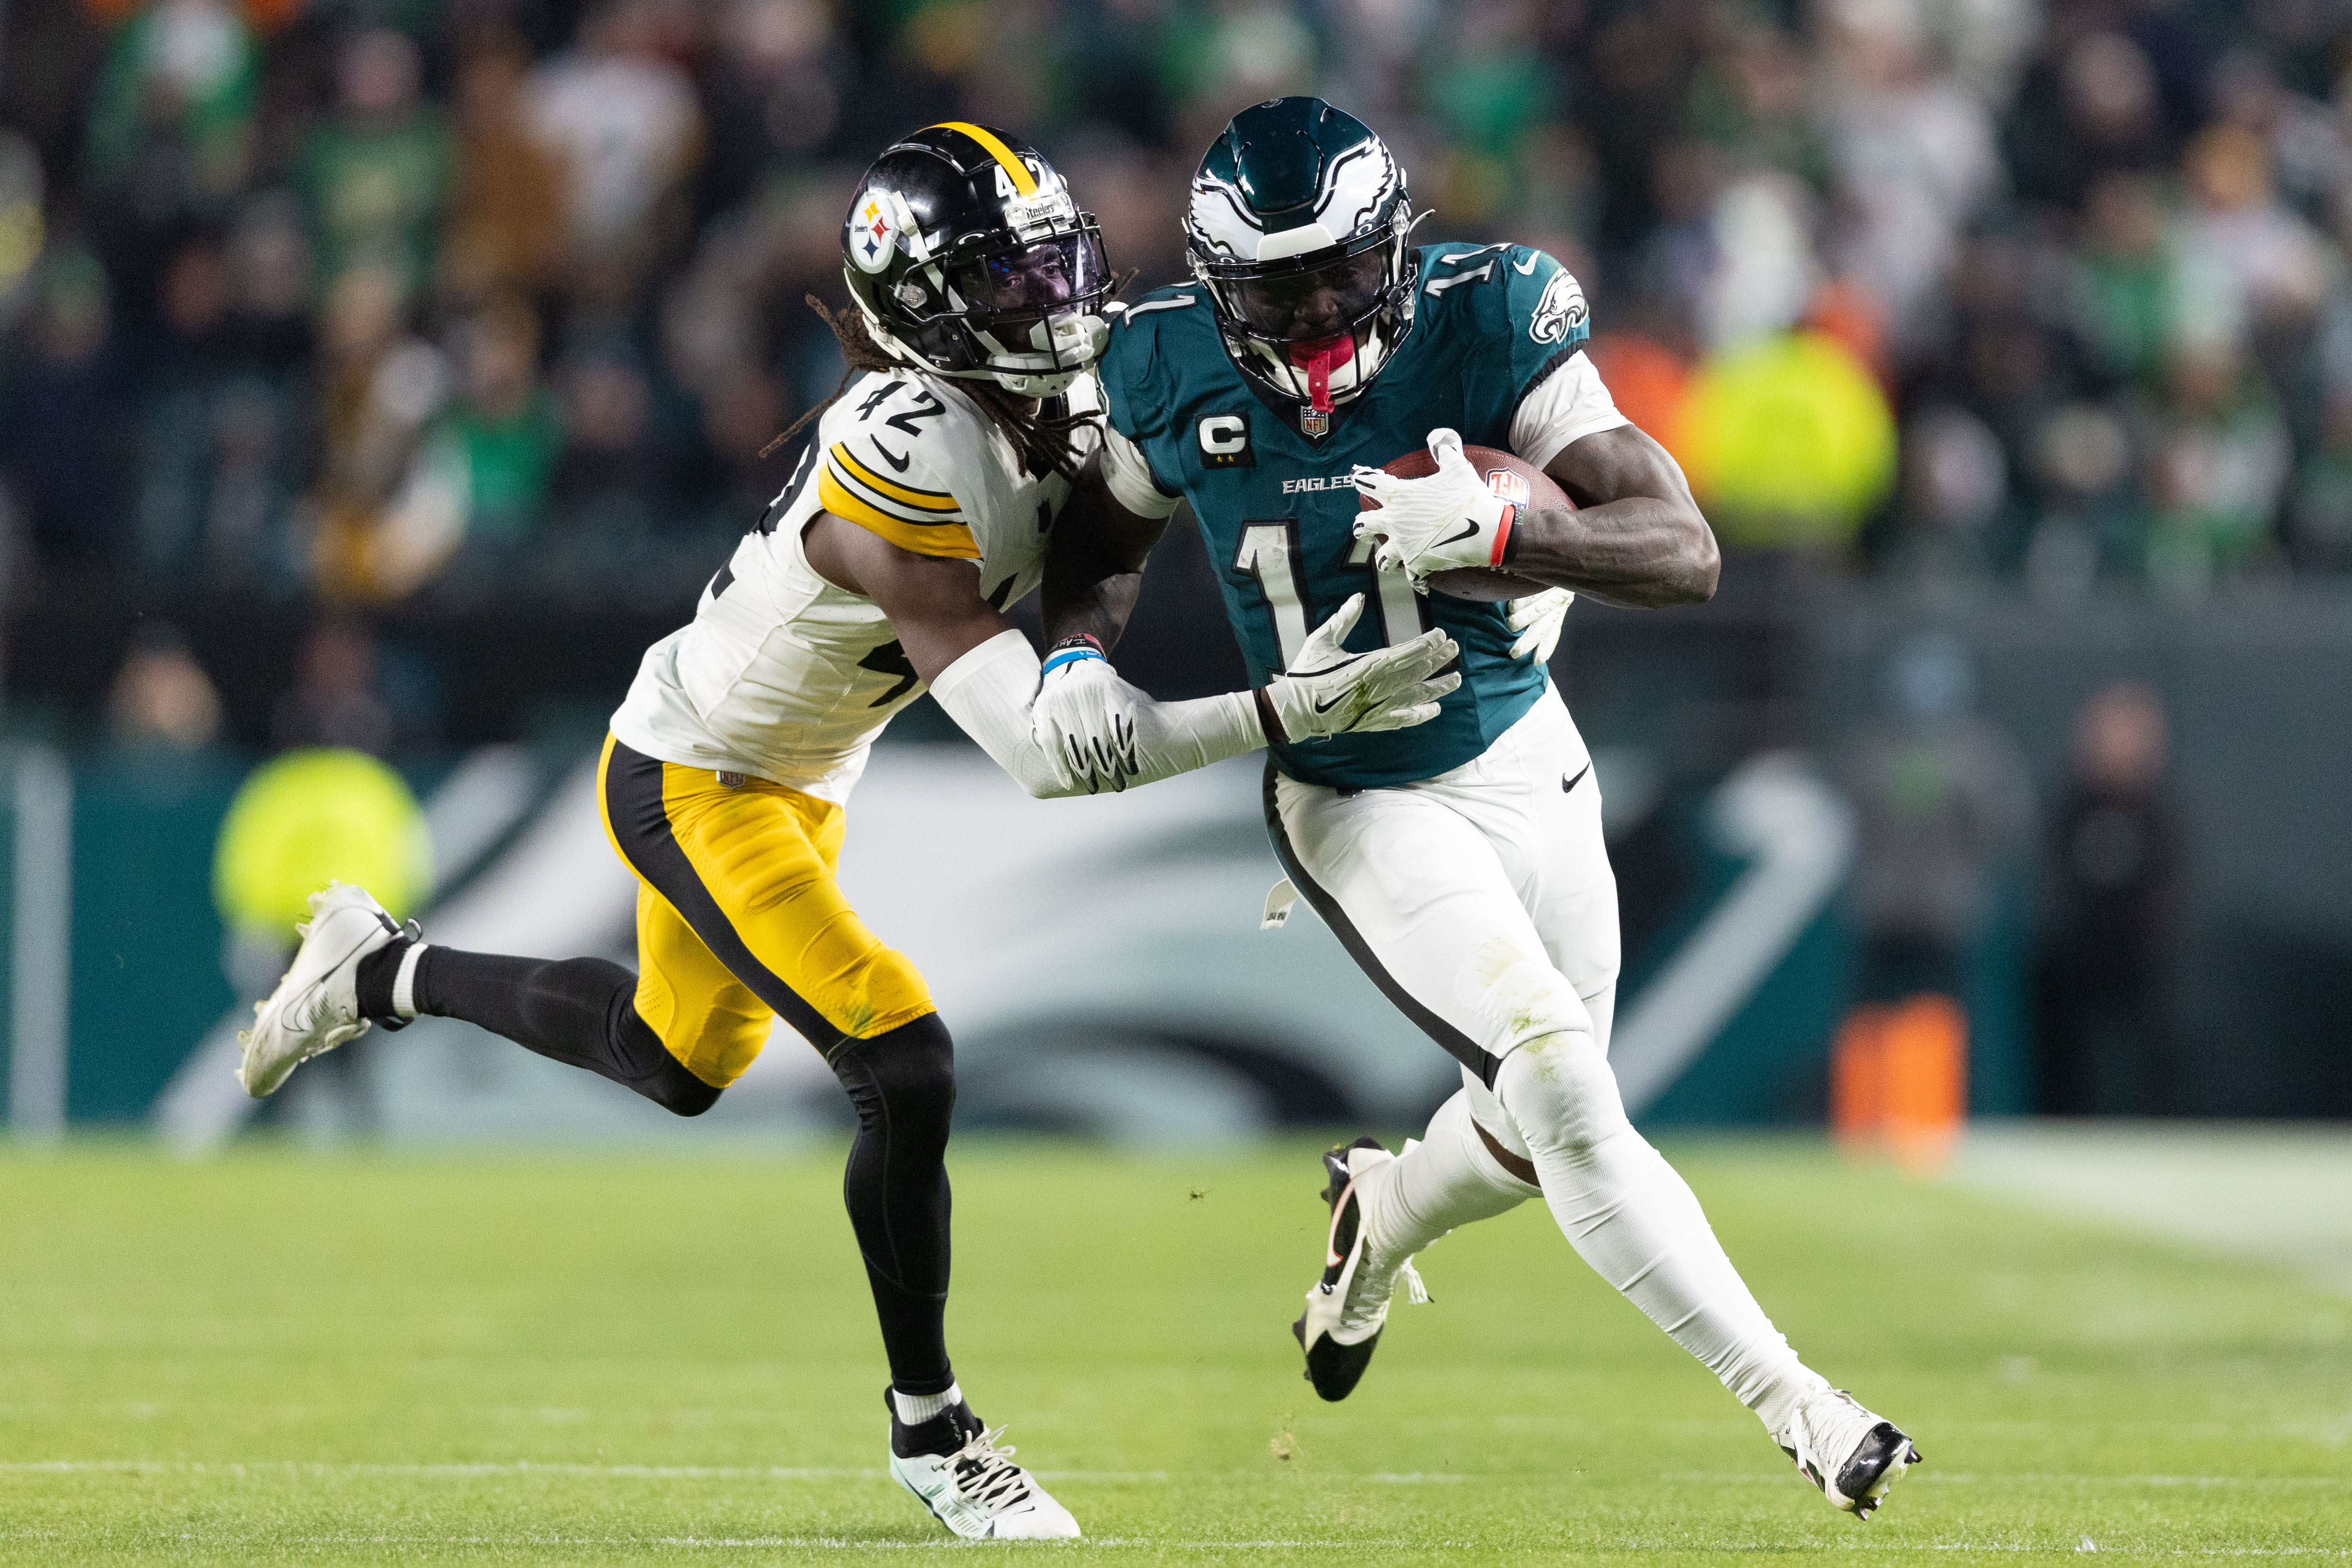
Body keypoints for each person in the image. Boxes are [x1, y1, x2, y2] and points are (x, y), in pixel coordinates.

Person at [231, 122, 1455, 1543]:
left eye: (1056, 262)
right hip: (700, 774)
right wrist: (1278, 710)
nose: (1053, 305)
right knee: (905, 1058)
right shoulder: (903, 465)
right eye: (1009, 285)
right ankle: (932, 1432)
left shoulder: (1072, 372)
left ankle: (376, 969)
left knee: (675, 1065)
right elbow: (1053, 759)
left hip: (810, 771)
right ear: (924, 313)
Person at [1038, 97, 1921, 1520]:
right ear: (1217, 287)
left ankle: (1376, 1218)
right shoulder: (1164, 363)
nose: (1317, 313)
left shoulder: (1491, 317)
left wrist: (1525, 531)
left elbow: (1683, 547)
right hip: (1356, 790)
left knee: (1525, 1131)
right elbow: (1094, 540)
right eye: (1277, 287)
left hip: (1526, 757)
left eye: (1337, 272)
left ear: (1393, 247)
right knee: (1562, 1087)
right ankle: (1807, 1412)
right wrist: (1077, 649)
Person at [2035, 682, 2180, 1115]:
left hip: (2140, 959)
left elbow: (2171, 880)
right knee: (2075, 1056)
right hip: (2081, 958)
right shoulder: (2073, 804)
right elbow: (2056, 873)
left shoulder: (2158, 809)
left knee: (2146, 1054)